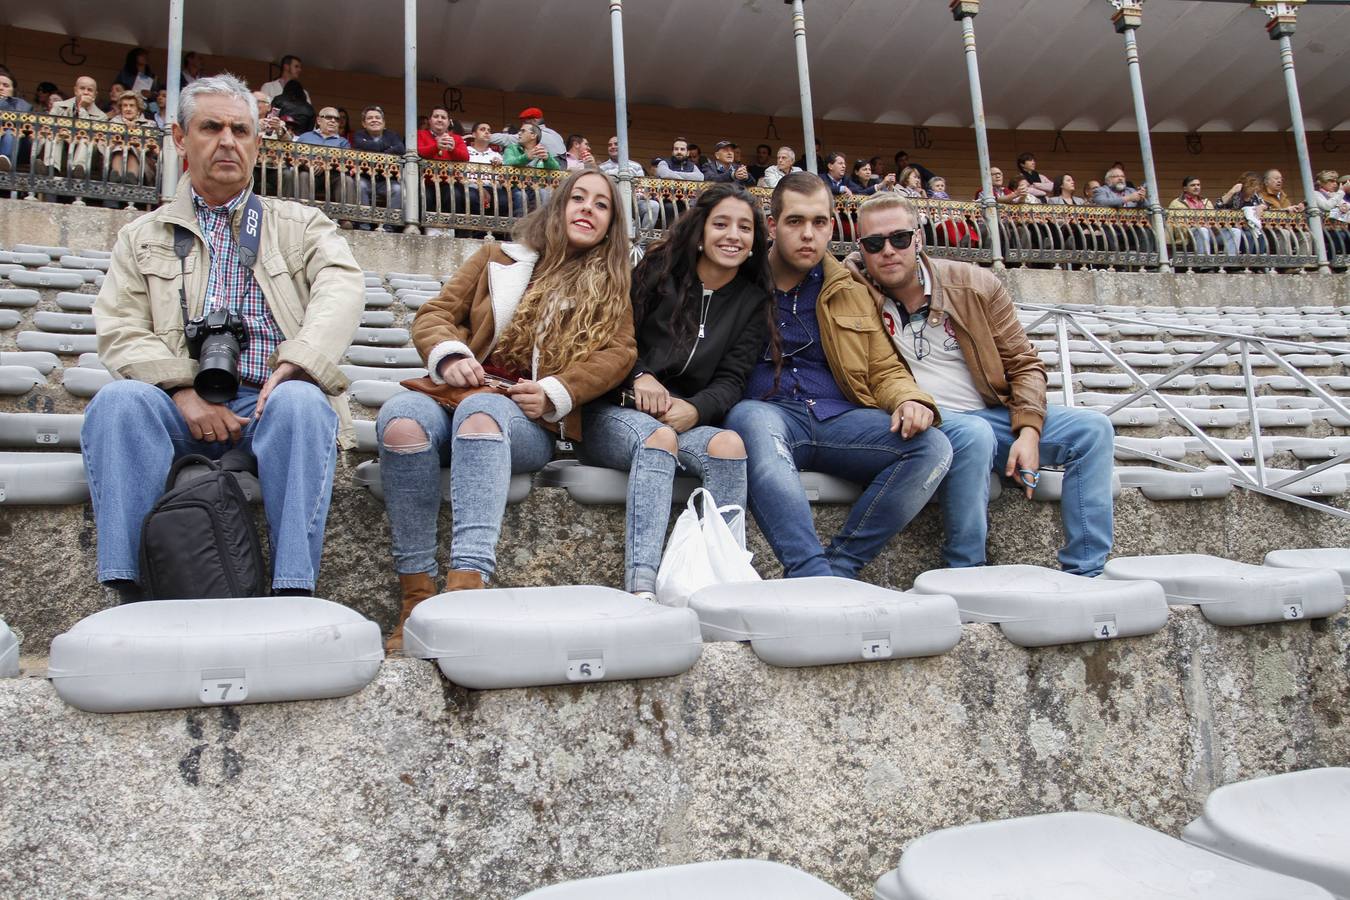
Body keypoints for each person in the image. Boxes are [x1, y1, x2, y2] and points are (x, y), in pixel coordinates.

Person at [82, 73, 363, 604]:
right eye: (211, 127)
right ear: (180, 138)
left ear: (258, 142)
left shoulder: (301, 225)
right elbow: (119, 328)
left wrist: (295, 364)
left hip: (270, 402)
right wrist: (183, 393)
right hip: (178, 407)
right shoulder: (142, 235)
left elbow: (343, 289)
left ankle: (293, 589)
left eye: (241, 129)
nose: (228, 141)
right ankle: (129, 588)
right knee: (118, 403)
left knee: (304, 403)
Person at [377, 169, 637, 650]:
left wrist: (557, 391)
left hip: (525, 415)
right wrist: (451, 356)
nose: (587, 208)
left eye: (601, 205)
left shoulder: (614, 284)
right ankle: (414, 600)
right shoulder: (497, 257)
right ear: (557, 207)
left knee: (482, 414)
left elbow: (618, 354)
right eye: (577, 198)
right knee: (399, 422)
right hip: (456, 389)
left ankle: (465, 594)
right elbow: (435, 313)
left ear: (611, 223)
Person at [849, 193, 1114, 576]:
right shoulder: (852, 290)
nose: (888, 251)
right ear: (861, 249)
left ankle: (1086, 572)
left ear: (919, 239)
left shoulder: (974, 284)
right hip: (923, 422)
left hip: (991, 414)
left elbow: (1024, 364)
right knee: (973, 434)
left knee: (1094, 430)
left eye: (900, 239)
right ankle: (966, 570)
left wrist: (1028, 430)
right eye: (875, 243)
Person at [723, 173, 951, 580]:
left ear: (832, 225)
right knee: (753, 423)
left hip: (836, 417)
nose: (808, 235)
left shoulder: (849, 288)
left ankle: (841, 566)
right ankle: (811, 574)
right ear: (773, 226)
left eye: (820, 222)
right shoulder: (737, 276)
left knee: (932, 446)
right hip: (765, 412)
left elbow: (882, 368)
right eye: (795, 222)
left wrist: (909, 400)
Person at [579, 183, 772, 600]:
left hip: (680, 418)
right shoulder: (657, 270)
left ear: (756, 241)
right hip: (614, 410)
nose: (732, 236)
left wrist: (696, 410)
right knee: (658, 438)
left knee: (729, 444)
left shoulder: (753, 301)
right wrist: (640, 374)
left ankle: (725, 584)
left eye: (744, 227)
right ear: (701, 230)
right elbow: (612, 334)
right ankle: (642, 588)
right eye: (720, 224)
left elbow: (732, 380)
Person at [350, 105, 405, 227]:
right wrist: (388, 148)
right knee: (360, 185)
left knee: (398, 189)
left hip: (386, 179)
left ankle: (388, 227)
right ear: (364, 124)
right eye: (370, 118)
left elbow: (401, 149)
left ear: (383, 122)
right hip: (365, 178)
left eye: (377, 118)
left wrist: (374, 149)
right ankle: (364, 225)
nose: (374, 120)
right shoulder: (359, 135)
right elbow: (360, 145)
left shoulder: (392, 135)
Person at [46, 76, 107, 179]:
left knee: (86, 139)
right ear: (75, 90)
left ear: (95, 95)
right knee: (54, 134)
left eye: (90, 90)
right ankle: (51, 169)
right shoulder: (58, 106)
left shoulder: (102, 117)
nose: (86, 92)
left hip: (86, 156)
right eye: (82, 88)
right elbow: (47, 128)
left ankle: (77, 172)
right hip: (62, 151)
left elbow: (89, 133)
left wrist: (82, 109)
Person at [418, 105, 470, 227]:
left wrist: (452, 149)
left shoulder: (456, 138)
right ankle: (427, 229)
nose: (440, 120)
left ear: (448, 122)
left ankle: (450, 229)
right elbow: (417, 152)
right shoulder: (420, 134)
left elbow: (465, 157)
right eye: (436, 117)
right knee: (426, 197)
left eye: (443, 117)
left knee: (454, 195)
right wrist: (436, 146)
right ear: (430, 121)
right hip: (426, 181)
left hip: (449, 182)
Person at [600, 135, 658, 230]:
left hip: (634, 201)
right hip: (613, 202)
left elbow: (642, 187)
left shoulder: (636, 166)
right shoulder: (602, 167)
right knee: (633, 217)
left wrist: (635, 197)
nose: (612, 146)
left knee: (653, 205)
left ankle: (642, 241)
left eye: (616, 144)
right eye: (610, 145)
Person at [106, 92, 157, 186]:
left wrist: (133, 132)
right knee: (121, 148)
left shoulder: (150, 124)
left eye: (132, 105)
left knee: (131, 149)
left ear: (138, 109)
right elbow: (107, 145)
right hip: (114, 159)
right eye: (125, 106)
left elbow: (152, 148)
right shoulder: (113, 122)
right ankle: (115, 176)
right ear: (121, 108)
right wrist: (124, 130)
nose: (128, 109)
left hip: (143, 166)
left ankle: (131, 178)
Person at [491, 106, 567, 158]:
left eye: (525, 122)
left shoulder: (534, 133)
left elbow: (507, 139)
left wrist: (486, 137)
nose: (523, 125)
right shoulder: (556, 134)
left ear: (534, 121)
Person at [1168, 176, 1216, 256]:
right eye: (1193, 185)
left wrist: (1212, 225)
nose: (1196, 187)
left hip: (1210, 232)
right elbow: (1172, 223)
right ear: (1185, 189)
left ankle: (1231, 263)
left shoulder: (1206, 202)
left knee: (1236, 232)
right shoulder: (1176, 203)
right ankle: (1204, 264)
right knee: (1202, 230)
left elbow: (1214, 219)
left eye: (1198, 185)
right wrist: (1194, 225)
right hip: (1188, 234)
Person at [0, 68, 32, 173]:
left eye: (6, 85)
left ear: (13, 90)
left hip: (17, 147)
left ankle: (4, 163)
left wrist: (3, 102)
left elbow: (18, 123)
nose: (1, 88)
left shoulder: (21, 104)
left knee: (10, 132)